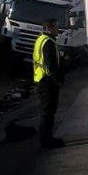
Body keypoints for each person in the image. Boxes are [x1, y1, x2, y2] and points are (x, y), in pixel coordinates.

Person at [33, 19, 65, 148]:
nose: (58, 29)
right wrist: (57, 80)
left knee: (47, 111)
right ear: (49, 28)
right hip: (47, 81)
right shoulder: (48, 42)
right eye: (56, 27)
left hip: (42, 79)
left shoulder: (41, 39)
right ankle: (47, 140)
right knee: (48, 111)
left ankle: (46, 138)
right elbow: (50, 64)